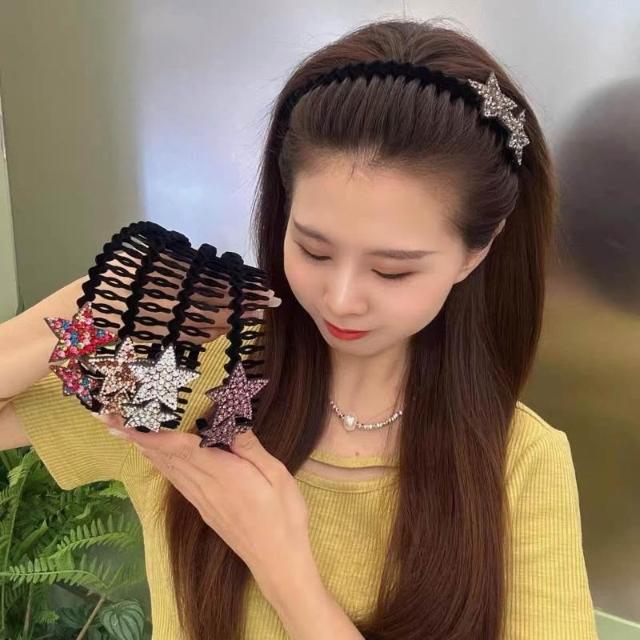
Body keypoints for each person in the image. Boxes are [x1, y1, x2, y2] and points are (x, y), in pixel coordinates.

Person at [0, 17, 598, 640]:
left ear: (477, 251)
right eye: (313, 250)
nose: (340, 299)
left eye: (391, 270)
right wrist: (97, 303)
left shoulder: (519, 463)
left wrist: (283, 568)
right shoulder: (190, 377)